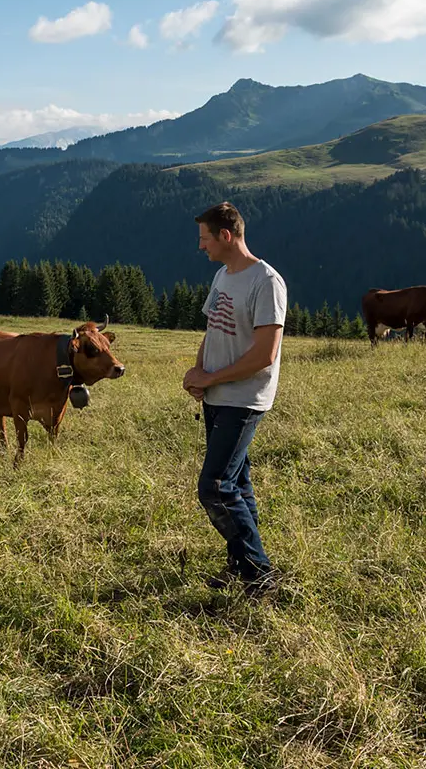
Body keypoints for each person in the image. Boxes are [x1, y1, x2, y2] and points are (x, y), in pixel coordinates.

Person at [182, 202, 287, 596]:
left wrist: (212, 377)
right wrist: (199, 375)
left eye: (204, 239)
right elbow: (213, 330)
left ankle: (259, 574)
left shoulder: (267, 282)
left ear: (226, 236)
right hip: (217, 394)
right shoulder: (223, 276)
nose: (201, 247)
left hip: (244, 399)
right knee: (237, 484)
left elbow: (265, 355)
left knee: (214, 486)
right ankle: (242, 564)